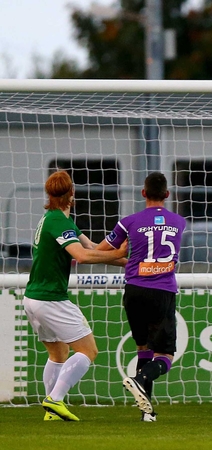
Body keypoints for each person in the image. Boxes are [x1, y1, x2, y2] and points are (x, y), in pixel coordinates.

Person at [24, 170, 128, 422]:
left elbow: (92, 247)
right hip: (51, 299)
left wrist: (128, 261)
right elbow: (81, 256)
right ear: (72, 193)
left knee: (57, 354)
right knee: (89, 350)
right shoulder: (58, 222)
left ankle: (52, 412)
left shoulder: (54, 218)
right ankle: (55, 399)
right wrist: (118, 254)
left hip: (33, 299)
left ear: (49, 194)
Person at [97, 172, 186, 422]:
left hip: (134, 290)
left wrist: (81, 248)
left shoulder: (129, 222)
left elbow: (102, 251)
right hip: (163, 290)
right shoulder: (179, 222)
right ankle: (139, 379)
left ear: (143, 193)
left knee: (143, 348)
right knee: (166, 356)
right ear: (167, 195)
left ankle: (147, 413)